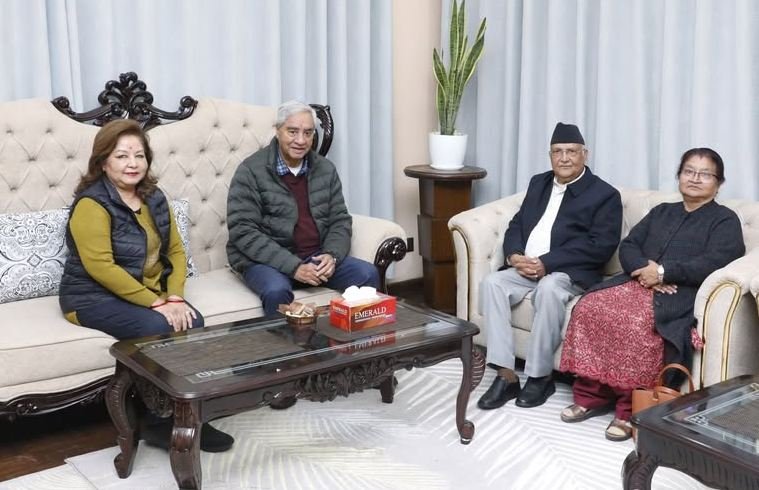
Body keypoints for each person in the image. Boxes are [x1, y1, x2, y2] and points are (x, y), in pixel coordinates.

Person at [59, 119, 233, 453]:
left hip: (147, 292)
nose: (132, 163)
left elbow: (176, 251)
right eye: (122, 156)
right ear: (103, 162)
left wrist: (175, 296)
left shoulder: (153, 197)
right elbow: (101, 267)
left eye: (139, 155)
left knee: (193, 321)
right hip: (91, 297)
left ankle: (191, 415)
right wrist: (157, 304)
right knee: (158, 327)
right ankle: (159, 421)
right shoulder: (91, 204)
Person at [559, 147, 745, 442]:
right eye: (689, 171)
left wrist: (663, 273)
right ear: (679, 176)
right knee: (590, 306)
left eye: (705, 174)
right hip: (636, 282)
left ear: (718, 183)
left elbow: (716, 260)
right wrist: (644, 270)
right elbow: (629, 245)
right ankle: (591, 395)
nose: (695, 178)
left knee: (636, 323)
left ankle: (628, 408)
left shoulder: (724, 220)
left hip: (679, 293)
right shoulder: (662, 211)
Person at [477, 123, 623, 411]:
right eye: (558, 152)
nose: (564, 158)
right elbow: (517, 224)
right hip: (526, 267)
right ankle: (506, 375)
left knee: (549, 288)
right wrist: (514, 255)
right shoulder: (539, 183)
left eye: (571, 151)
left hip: (568, 272)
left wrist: (548, 263)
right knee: (493, 283)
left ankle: (540, 376)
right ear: (550, 155)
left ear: (585, 154)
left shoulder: (604, 194)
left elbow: (601, 246)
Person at [226, 100, 379, 316]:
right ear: (278, 131)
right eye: (292, 132)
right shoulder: (250, 170)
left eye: (308, 133)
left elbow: (339, 220)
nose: (301, 140)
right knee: (276, 291)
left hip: (316, 257)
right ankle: (284, 340)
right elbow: (243, 231)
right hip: (268, 262)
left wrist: (331, 255)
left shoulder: (325, 169)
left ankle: (357, 338)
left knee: (367, 274)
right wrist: (294, 267)